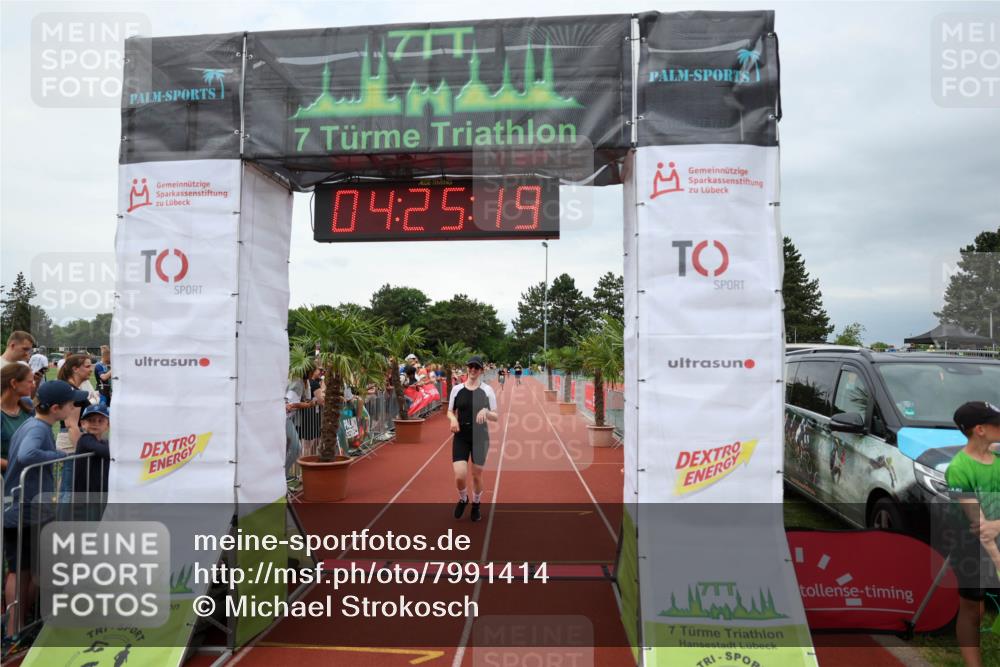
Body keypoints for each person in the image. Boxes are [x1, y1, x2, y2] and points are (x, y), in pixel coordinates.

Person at [3, 380, 86, 635]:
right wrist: (61, 455)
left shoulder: (33, 423)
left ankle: (19, 627)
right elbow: (27, 456)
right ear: (57, 408)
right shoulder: (38, 428)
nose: (75, 409)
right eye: (72, 404)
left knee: (23, 568)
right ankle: (18, 629)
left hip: (20, 507)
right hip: (27, 508)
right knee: (30, 569)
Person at [945, 401, 1000, 667]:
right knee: (972, 609)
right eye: (996, 423)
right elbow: (980, 527)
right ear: (980, 429)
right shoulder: (957, 469)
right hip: (972, 545)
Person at [447, 356, 498, 522]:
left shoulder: (487, 390)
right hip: (461, 436)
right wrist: (453, 419)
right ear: (467, 368)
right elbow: (449, 411)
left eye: (477, 367)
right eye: (471, 366)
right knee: (460, 475)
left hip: (480, 437)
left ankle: (476, 504)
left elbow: (495, 416)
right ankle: (463, 499)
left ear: (481, 370)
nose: (473, 370)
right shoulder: (457, 389)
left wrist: (486, 412)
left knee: (476, 475)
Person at [1, 363, 36, 474]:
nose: (34, 385)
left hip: (27, 480)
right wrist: (19, 468)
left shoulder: (28, 406)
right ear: (14, 383)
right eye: (30, 381)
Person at [73, 404, 111, 497]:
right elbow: (107, 452)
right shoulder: (85, 439)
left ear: (108, 425)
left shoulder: (104, 442)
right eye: (91, 420)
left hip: (100, 491)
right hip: (86, 494)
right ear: (83, 424)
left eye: (100, 420)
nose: (96, 423)